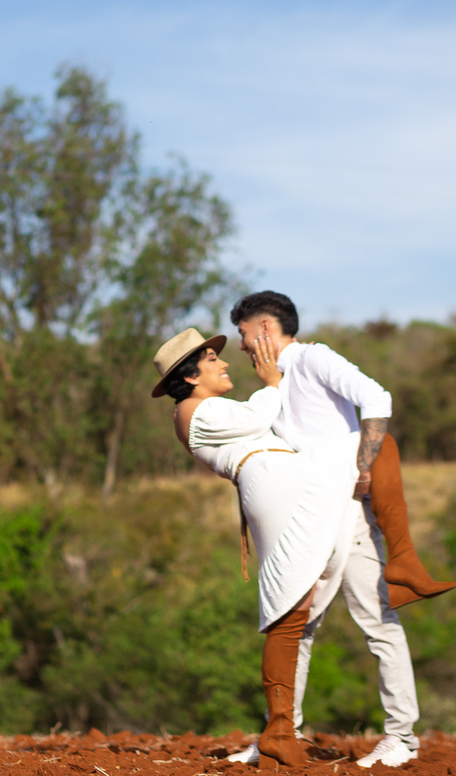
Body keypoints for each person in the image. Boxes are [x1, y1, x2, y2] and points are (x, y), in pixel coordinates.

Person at [224, 290, 456, 769]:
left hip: (347, 516)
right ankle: (280, 734)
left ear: (266, 328)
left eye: (244, 335)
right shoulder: (271, 385)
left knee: (377, 621)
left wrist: (364, 465)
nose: (241, 346)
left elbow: (376, 396)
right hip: (307, 521)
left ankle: (401, 738)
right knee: (299, 626)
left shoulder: (314, 359)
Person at [151, 327, 362, 769]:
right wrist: (271, 381)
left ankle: (282, 729)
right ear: (190, 376)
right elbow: (256, 417)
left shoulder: (207, 407)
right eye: (213, 360)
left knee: (298, 604)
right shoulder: (194, 410)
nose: (225, 363)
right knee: (289, 606)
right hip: (269, 484)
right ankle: (279, 732)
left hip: (282, 481)